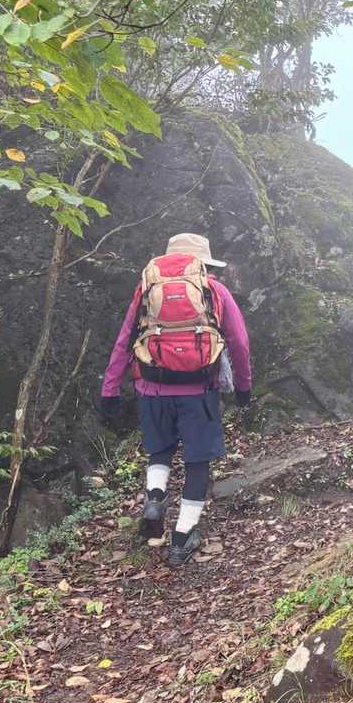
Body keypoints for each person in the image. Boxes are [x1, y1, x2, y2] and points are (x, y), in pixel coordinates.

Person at [98, 233, 252, 565]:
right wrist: (243, 387)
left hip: (152, 387)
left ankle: (155, 497)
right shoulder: (215, 290)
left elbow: (125, 341)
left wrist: (109, 389)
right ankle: (182, 537)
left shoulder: (146, 290)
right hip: (199, 390)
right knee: (198, 462)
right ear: (203, 263)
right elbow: (239, 342)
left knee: (160, 450)